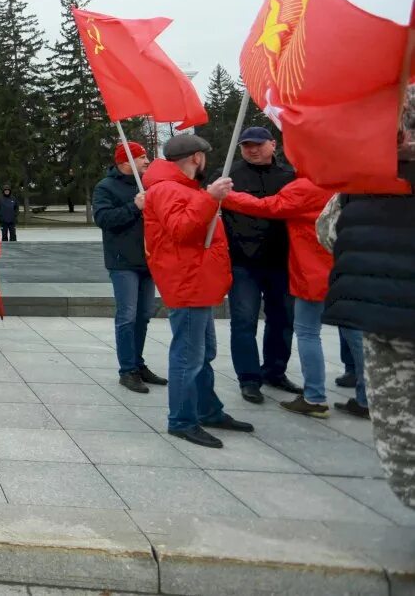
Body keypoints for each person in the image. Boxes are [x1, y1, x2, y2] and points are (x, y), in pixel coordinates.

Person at [318, 85, 415, 508]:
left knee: (404, 446)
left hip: (389, 326)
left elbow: (330, 233)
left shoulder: (361, 183)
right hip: (388, 323)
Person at [143, 134, 253, 448]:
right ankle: (182, 420)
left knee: (203, 354)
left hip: (197, 281)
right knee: (188, 357)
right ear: (196, 158)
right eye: (205, 156)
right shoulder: (167, 189)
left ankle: (207, 410)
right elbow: (181, 229)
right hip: (187, 283)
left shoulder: (181, 188)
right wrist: (210, 198)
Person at [224, 174, 342, 418]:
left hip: (313, 271)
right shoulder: (343, 182)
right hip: (342, 270)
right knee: (353, 333)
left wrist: (226, 196)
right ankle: (364, 398)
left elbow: (268, 206)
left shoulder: (307, 186)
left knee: (308, 332)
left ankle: (315, 397)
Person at [222, 126, 301, 404]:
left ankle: (275, 372)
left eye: (257, 144)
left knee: (282, 320)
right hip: (244, 262)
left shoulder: (290, 176)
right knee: (244, 321)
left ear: (272, 145)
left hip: (281, 260)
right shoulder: (229, 177)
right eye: (246, 145)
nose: (251, 149)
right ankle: (249, 378)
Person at [92, 141, 168, 394]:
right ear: (125, 161)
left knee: (144, 315)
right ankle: (127, 370)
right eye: (142, 157)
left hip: (148, 259)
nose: (147, 161)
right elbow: (103, 219)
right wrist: (134, 207)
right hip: (123, 262)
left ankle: (138, 363)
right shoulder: (106, 187)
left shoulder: (146, 185)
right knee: (127, 315)